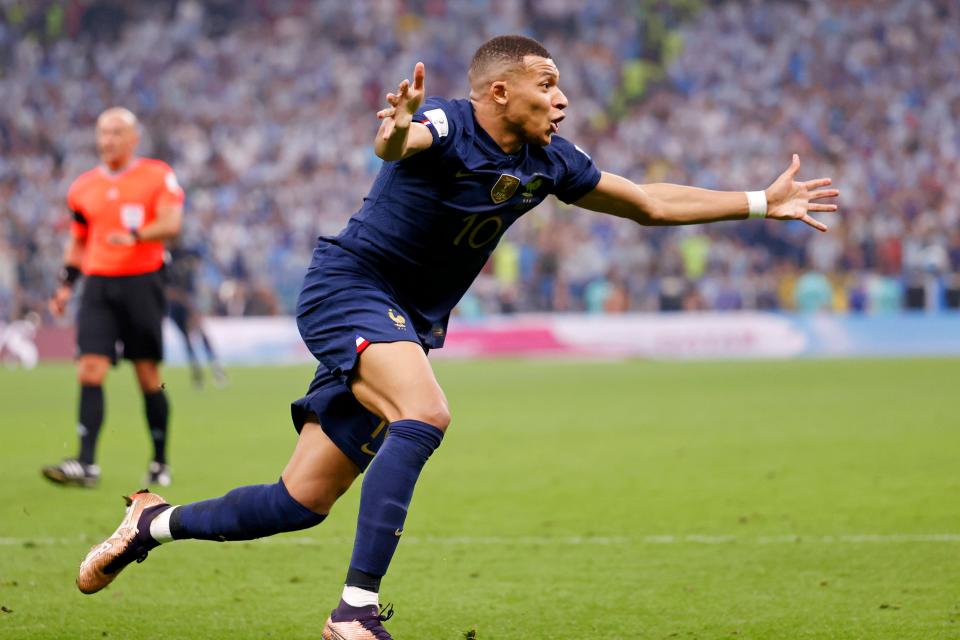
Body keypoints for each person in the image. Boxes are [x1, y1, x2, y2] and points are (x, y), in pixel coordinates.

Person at [75, 36, 837, 638]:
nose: (562, 98)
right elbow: (399, 142)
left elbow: (646, 202)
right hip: (350, 290)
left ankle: (151, 522)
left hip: (405, 322)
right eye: (548, 83)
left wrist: (755, 202)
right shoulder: (448, 121)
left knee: (299, 500)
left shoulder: (547, 163)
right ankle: (354, 613)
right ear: (500, 91)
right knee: (426, 413)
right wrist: (396, 125)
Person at [43, 107, 184, 489]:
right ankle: (86, 464)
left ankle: (159, 461)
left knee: (148, 377)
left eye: (117, 132)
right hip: (98, 286)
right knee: (89, 369)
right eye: (103, 132)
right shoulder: (83, 187)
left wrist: (137, 237)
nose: (108, 140)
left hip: (143, 282)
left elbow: (172, 223)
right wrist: (64, 285)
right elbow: (78, 240)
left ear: (134, 137)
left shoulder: (157, 175)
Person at [165, 242, 227, 389]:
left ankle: (215, 370)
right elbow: (166, 288)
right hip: (177, 306)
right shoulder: (166, 257)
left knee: (201, 335)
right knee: (188, 340)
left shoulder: (188, 254)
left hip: (189, 303)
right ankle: (198, 373)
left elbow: (199, 270)